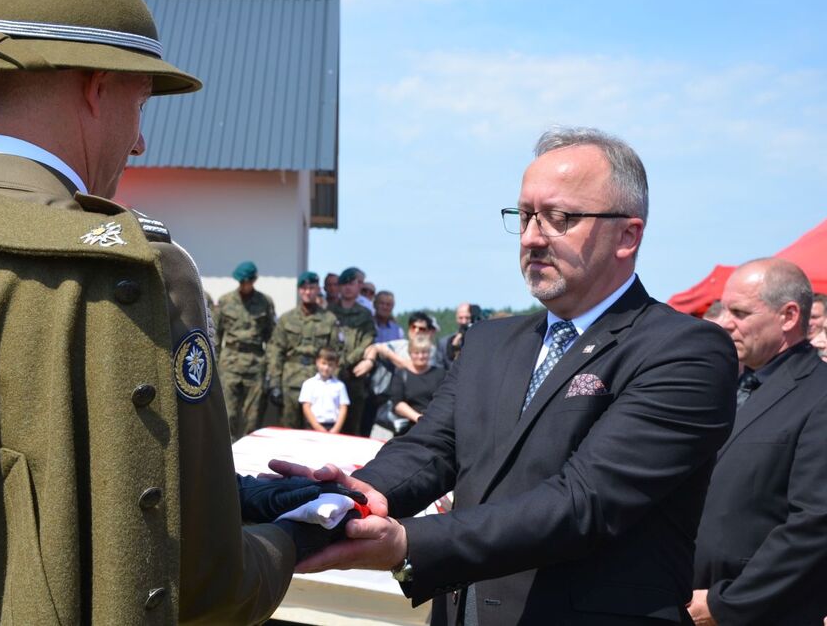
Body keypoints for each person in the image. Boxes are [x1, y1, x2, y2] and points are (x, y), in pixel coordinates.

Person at [0, 0, 342, 623]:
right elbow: (208, 584)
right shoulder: (137, 278)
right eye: (140, 106)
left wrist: (253, 495)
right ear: (99, 88)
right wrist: (301, 534)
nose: (140, 139)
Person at [273, 126, 737, 625]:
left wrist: (408, 543)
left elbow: (585, 503)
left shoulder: (684, 351)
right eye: (525, 215)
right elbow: (431, 448)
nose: (533, 236)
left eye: (560, 217)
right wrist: (355, 496)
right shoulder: (491, 343)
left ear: (628, 235)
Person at [689, 258, 827, 626]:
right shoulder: (730, 386)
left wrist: (728, 604)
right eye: (723, 309)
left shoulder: (819, 394)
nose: (723, 323)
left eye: (740, 312)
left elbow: (815, 522)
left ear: (788, 316)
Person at [266, 271, 341, 429]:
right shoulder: (286, 319)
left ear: (317, 290)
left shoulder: (329, 319)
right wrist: (274, 384)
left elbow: (336, 353)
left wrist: (334, 385)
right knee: (289, 430)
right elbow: (275, 351)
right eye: (304, 288)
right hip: (290, 382)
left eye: (312, 288)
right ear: (299, 290)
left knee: (315, 432)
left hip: (320, 384)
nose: (308, 292)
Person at [215, 260, 276, 440]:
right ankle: (227, 456)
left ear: (254, 280)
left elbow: (272, 337)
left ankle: (249, 457)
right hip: (230, 363)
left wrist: (270, 368)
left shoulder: (265, 302)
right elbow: (216, 335)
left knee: (253, 417)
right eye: (240, 281)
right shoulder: (225, 301)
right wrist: (215, 364)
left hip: (255, 363)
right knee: (228, 414)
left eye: (247, 282)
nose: (243, 285)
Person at [330, 267, 377, 435]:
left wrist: (350, 358)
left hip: (354, 375)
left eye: (351, 284)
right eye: (344, 284)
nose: (347, 288)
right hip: (331, 374)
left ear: (358, 287)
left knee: (352, 425)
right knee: (329, 422)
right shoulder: (329, 312)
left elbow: (368, 339)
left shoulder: (364, 314)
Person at [387, 334, 445, 431]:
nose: (420, 356)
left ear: (429, 353)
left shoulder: (441, 374)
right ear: (410, 353)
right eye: (416, 353)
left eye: (424, 352)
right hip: (410, 427)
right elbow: (397, 404)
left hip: (437, 425)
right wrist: (419, 418)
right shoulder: (401, 374)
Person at [298, 348, 350, 434]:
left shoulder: (340, 386)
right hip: (312, 426)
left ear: (336, 366)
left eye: (330, 365)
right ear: (317, 362)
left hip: (332, 427)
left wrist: (336, 428)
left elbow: (343, 408)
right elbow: (306, 407)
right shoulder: (309, 384)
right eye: (323, 363)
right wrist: (317, 427)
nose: (326, 368)